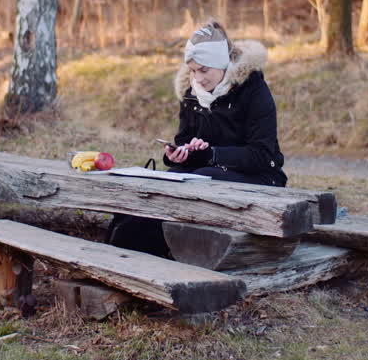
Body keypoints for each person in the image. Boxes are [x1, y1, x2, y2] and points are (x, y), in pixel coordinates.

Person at [107, 20, 287, 257]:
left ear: (221, 64)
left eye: (204, 70)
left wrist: (212, 154)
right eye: (192, 70)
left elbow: (263, 156)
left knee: (202, 179)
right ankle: (125, 249)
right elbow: (185, 141)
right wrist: (179, 154)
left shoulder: (254, 90)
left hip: (261, 178)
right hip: (206, 173)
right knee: (163, 183)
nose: (198, 78)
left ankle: (156, 251)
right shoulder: (191, 94)